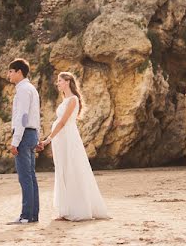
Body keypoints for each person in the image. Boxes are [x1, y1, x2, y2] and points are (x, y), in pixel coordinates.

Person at [38, 71, 110, 221]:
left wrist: (48, 139)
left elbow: (63, 122)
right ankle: (65, 209)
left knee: (72, 170)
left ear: (67, 81)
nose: (57, 83)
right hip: (61, 140)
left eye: (59, 80)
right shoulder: (65, 100)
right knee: (63, 170)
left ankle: (76, 208)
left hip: (67, 139)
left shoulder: (73, 100)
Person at [6, 58, 40, 224]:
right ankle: (33, 215)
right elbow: (35, 116)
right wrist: (37, 137)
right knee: (31, 177)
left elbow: (23, 117)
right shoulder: (31, 89)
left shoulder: (23, 90)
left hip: (24, 134)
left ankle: (26, 216)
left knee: (25, 178)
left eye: (11, 71)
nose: (9, 75)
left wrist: (15, 140)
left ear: (19, 72)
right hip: (31, 134)